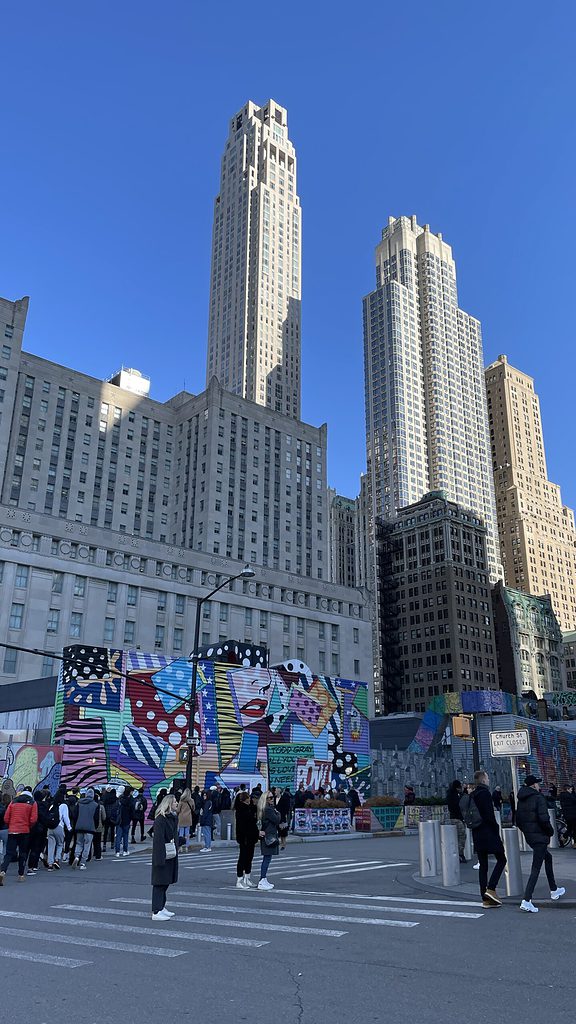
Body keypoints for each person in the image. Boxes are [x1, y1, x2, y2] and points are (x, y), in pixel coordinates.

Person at [516, 773, 565, 913]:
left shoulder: (521, 800)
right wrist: (550, 832)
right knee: (536, 868)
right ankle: (526, 900)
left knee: (547, 858)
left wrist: (528, 831)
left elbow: (518, 821)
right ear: (533, 785)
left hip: (531, 837)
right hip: (540, 837)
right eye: (537, 783)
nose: (539, 785)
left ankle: (554, 889)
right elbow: (544, 819)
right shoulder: (538, 798)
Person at [462, 770, 507, 908]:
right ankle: (491, 889)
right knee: (502, 859)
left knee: (483, 865)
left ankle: (485, 898)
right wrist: (496, 830)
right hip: (488, 832)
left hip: (477, 833)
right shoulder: (485, 794)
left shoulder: (473, 795)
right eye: (487, 778)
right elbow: (489, 816)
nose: (488, 780)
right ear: (483, 780)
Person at [150, 794, 179, 921]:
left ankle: (161, 907)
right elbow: (158, 840)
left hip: (170, 854)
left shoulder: (172, 818)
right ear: (169, 804)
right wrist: (159, 859)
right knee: (159, 883)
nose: (177, 803)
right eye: (174, 802)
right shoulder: (160, 819)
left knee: (165, 882)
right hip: (163, 855)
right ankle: (156, 911)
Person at [0, 789, 38, 883]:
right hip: (24, 831)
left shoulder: (13, 802)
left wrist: (11, 825)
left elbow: (6, 818)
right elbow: (33, 819)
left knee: (9, 853)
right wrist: (28, 826)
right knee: (23, 853)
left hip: (12, 830)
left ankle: (2, 871)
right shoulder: (33, 803)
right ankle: (21, 874)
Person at [257, 790, 280, 890]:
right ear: (265, 799)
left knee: (267, 858)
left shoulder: (263, 809)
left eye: (272, 797)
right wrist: (277, 813)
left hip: (266, 835)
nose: (272, 799)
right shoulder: (269, 809)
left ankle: (264, 879)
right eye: (270, 798)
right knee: (267, 859)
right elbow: (277, 820)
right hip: (269, 836)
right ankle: (262, 879)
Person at [235, 790, 258, 888]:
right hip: (245, 837)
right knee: (243, 857)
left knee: (249, 857)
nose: (249, 803)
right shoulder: (242, 810)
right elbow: (247, 824)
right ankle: (239, 879)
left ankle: (247, 877)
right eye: (248, 801)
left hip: (249, 837)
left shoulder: (248, 809)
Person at [71, 788, 99, 869]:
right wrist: (95, 826)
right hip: (90, 828)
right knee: (87, 845)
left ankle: (76, 857)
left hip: (79, 826)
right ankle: (83, 863)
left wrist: (76, 825)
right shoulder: (95, 805)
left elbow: (75, 815)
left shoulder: (79, 803)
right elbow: (96, 818)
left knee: (79, 843)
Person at [27, 791, 51, 874]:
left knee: (29, 847)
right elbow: (44, 818)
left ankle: (29, 864)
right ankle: (34, 865)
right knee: (37, 848)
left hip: (31, 828)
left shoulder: (31, 804)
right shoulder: (44, 805)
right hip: (41, 829)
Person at [46, 786, 69, 870]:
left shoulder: (52, 805)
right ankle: (57, 860)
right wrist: (69, 827)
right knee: (60, 844)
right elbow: (66, 818)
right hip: (59, 826)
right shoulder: (63, 805)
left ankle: (50, 864)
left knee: (51, 846)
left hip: (50, 827)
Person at [446, 780, 467, 863]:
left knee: (456, 836)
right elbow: (458, 806)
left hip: (454, 818)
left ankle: (456, 854)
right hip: (457, 818)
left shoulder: (451, 794)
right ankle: (460, 854)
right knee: (461, 836)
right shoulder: (454, 796)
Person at [114, 787, 134, 857]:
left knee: (118, 836)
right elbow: (132, 812)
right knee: (125, 836)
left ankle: (117, 851)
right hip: (127, 820)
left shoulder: (120, 800)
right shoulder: (131, 801)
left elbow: (115, 809)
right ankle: (125, 851)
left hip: (119, 820)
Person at [102, 786, 117, 852]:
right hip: (113, 817)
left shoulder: (106, 798)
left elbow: (104, 806)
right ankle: (112, 844)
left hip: (107, 816)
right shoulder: (115, 799)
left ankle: (104, 845)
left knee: (105, 831)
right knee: (112, 830)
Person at [0, 793, 10, 859]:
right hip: (4, 828)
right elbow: (6, 819)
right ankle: (3, 860)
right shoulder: (4, 808)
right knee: (5, 845)